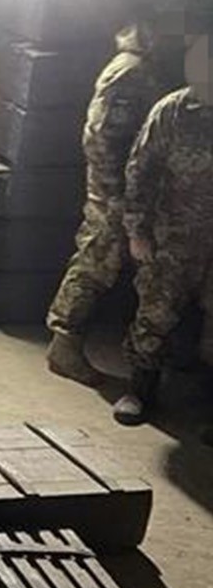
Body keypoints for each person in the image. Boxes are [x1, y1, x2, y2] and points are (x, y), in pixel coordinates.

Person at [45, 20, 181, 384]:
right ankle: (65, 342)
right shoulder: (130, 71)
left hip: (130, 187)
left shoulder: (143, 68)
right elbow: (102, 136)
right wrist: (116, 195)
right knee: (97, 260)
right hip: (116, 190)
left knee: (105, 259)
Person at [113, 26, 213, 425]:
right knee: (155, 313)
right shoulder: (172, 111)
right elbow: (140, 170)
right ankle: (140, 389)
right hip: (173, 236)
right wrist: (137, 230)